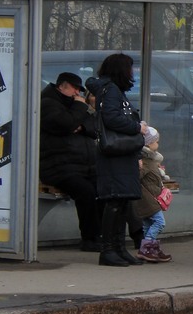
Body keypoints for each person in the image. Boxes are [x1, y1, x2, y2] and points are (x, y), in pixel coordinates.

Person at [86, 52, 149, 267]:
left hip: (120, 155)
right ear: (121, 69)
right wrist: (136, 127)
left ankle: (119, 248)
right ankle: (109, 250)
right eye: (130, 69)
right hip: (114, 156)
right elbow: (111, 117)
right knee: (114, 201)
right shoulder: (111, 90)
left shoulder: (112, 89)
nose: (132, 73)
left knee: (121, 202)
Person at [39, 71, 102, 251]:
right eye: (75, 89)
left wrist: (80, 125)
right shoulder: (48, 103)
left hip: (83, 166)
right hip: (59, 167)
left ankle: (101, 234)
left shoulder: (73, 105)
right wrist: (79, 111)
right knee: (86, 192)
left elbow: (94, 126)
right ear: (63, 85)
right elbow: (65, 123)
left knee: (105, 188)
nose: (77, 94)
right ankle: (89, 238)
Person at [132, 126, 172, 263]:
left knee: (148, 225)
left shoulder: (150, 160)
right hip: (148, 199)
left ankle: (152, 249)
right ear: (148, 143)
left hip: (147, 198)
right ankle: (146, 248)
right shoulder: (146, 161)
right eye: (156, 141)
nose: (158, 144)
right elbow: (138, 176)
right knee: (160, 223)